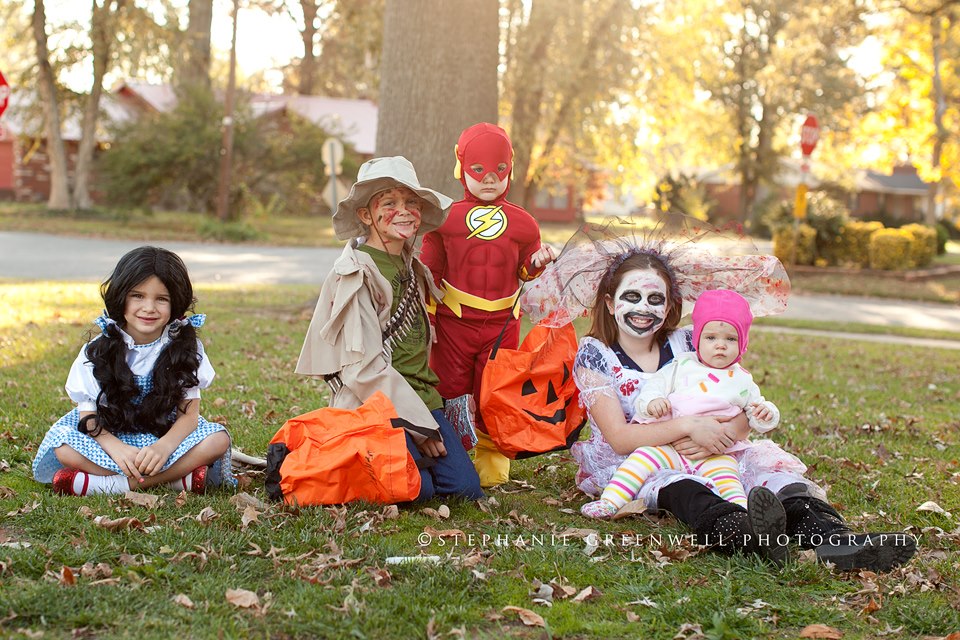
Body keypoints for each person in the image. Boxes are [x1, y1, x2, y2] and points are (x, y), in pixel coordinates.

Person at [521, 221, 917, 571]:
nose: (644, 308)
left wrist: (728, 431)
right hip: (642, 458)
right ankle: (754, 539)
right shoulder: (596, 356)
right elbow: (620, 437)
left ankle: (837, 541)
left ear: (671, 305)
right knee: (684, 492)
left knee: (772, 478)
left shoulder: (689, 342)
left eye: (656, 299)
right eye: (632, 297)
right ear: (609, 302)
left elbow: (736, 393)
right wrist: (690, 426)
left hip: (719, 445)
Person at [295, 156, 483, 502]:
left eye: (411, 202)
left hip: (424, 399)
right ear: (366, 215)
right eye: (390, 203)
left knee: (465, 490)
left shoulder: (411, 264)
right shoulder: (354, 273)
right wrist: (419, 427)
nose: (404, 211)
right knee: (419, 490)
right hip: (375, 403)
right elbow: (363, 368)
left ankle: (406, 459)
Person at [32, 247, 234, 496]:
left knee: (218, 440)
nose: (149, 307)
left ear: (176, 302)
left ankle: (108, 485)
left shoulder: (186, 349)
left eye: (162, 298)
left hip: (164, 437)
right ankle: (174, 480)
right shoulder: (96, 351)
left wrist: (164, 447)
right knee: (63, 446)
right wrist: (115, 447)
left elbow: (189, 417)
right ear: (120, 297)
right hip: (109, 436)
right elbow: (87, 415)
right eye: (137, 296)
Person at [420, 122, 555, 487]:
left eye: (499, 170)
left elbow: (524, 270)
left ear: (510, 168)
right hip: (453, 323)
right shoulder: (442, 219)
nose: (490, 179)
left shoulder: (524, 223)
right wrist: (427, 316)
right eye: (479, 170)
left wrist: (537, 262)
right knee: (452, 391)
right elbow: (429, 273)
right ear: (461, 167)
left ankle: (493, 463)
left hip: (501, 324)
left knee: (495, 394)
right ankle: (455, 460)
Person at [581, 289, 781, 519]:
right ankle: (610, 501)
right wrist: (652, 402)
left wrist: (767, 414)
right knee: (640, 460)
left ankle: (745, 515)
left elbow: (756, 412)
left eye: (731, 339)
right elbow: (656, 386)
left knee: (729, 481)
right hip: (670, 447)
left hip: (716, 453)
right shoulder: (682, 364)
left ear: (742, 343)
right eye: (711, 338)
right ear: (697, 340)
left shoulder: (742, 379)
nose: (720, 345)